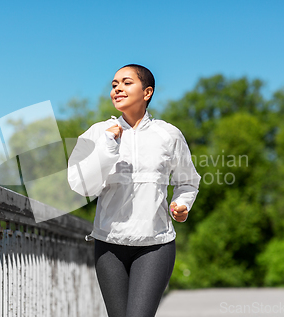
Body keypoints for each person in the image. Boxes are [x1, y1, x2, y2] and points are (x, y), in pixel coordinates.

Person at [67, 64, 201, 317]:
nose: (117, 88)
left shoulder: (168, 134)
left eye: (126, 83)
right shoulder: (98, 133)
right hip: (109, 244)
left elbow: (188, 180)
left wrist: (182, 204)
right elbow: (81, 185)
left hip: (155, 244)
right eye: (114, 84)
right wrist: (107, 146)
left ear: (147, 92)